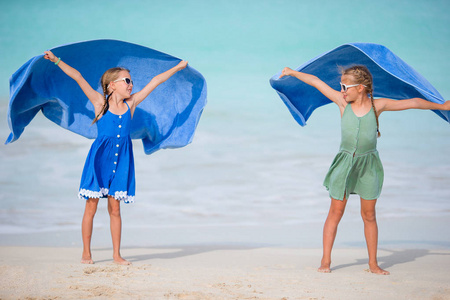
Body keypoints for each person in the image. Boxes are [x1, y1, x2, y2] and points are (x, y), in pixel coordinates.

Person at [279, 65, 450, 275]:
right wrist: (293, 73)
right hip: (345, 164)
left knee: (369, 215)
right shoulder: (342, 103)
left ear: (360, 88)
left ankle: (373, 264)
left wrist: (441, 106)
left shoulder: (378, 106)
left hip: (368, 166)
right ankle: (325, 260)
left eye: (345, 86)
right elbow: (316, 81)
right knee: (335, 212)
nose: (341, 90)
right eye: (340, 86)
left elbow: (412, 103)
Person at [44, 50, 187, 265]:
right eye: (127, 80)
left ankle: (116, 255)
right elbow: (78, 77)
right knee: (91, 206)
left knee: (115, 208)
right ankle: (86, 253)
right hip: (100, 158)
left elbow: (156, 81)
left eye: (131, 80)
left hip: (122, 159)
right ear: (112, 84)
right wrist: (57, 61)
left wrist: (177, 68)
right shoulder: (99, 103)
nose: (131, 84)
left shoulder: (132, 103)